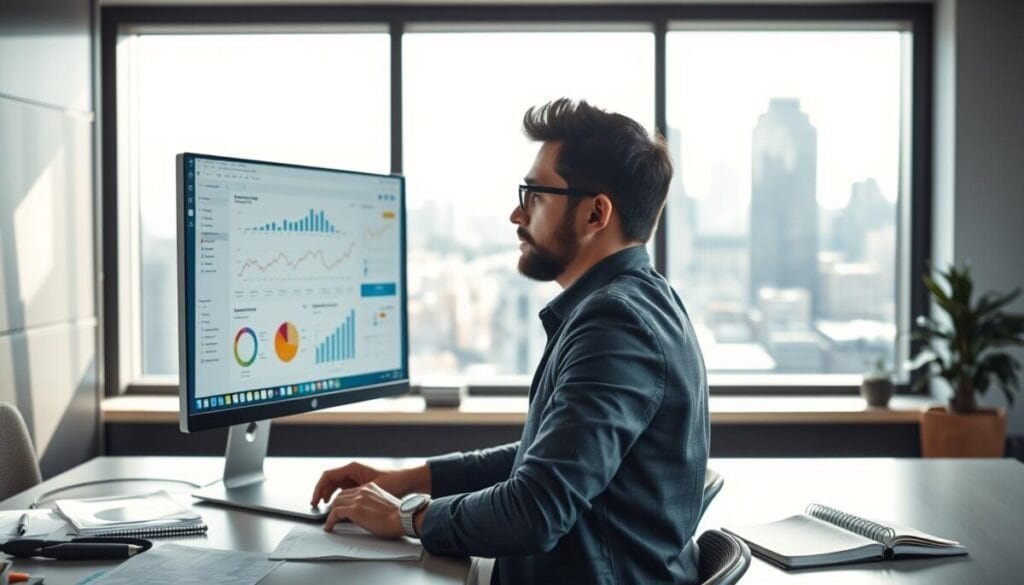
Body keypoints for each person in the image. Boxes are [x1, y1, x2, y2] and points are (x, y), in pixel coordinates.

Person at [310, 98, 710, 584]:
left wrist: (406, 515)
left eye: (535, 195)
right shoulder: (642, 300)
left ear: (595, 214)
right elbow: (548, 456)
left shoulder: (615, 323)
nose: (516, 214)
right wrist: (406, 481)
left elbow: (536, 509)